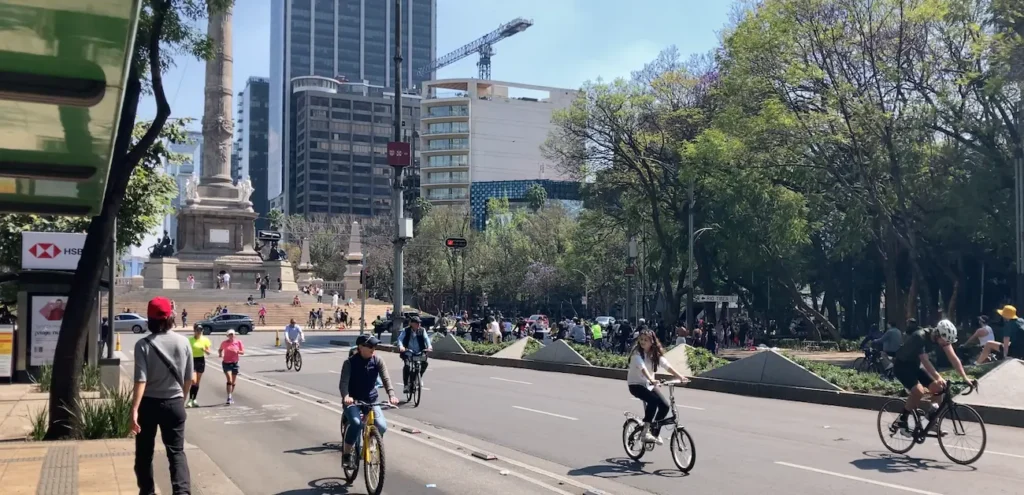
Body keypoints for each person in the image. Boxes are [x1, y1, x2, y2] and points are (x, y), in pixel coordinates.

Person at [131, 297, 193, 494]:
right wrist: (181, 399)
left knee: (144, 453)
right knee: (176, 453)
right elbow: (189, 378)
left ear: (149, 319)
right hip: (174, 403)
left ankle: (147, 491)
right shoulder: (184, 342)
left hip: (148, 404)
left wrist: (134, 409)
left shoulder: (143, 345)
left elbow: (141, 380)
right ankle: (182, 492)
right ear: (170, 317)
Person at [891, 319, 976, 436]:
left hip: (915, 366)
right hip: (902, 367)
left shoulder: (942, 338)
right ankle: (902, 420)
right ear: (937, 334)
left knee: (939, 388)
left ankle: (932, 421)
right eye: (945, 342)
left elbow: (954, 358)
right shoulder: (920, 337)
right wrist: (938, 377)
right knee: (918, 391)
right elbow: (925, 361)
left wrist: (965, 377)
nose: (945, 345)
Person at [339, 335, 399, 468]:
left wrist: (391, 395)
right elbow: (343, 383)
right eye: (370, 346)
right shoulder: (349, 363)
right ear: (360, 347)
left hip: (371, 400)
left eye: (375, 346)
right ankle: (347, 454)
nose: (373, 348)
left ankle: (372, 443)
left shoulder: (377, 360)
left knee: (381, 426)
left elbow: (386, 379)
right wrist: (346, 396)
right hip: (353, 401)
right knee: (356, 423)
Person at [626, 329, 688, 445]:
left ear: (652, 342)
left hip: (648, 385)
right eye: (641, 339)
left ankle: (654, 433)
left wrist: (680, 377)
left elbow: (666, 365)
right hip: (636, 385)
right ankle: (645, 432)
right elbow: (642, 367)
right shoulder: (636, 354)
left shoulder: (654, 354)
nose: (643, 342)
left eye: (646, 340)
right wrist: (651, 379)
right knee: (653, 401)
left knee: (665, 406)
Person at [397, 316, 432, 394]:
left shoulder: (422, 330)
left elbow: (426, 339)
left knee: (425, 363)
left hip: (419, 352)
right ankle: (406, 385)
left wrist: (429, 346)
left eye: (419, 323)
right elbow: (400, 339)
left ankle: (418, 377)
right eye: (416, 323)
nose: (418, 324)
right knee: (407, 366)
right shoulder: (406, 330)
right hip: (408, 352)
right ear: (411, 323)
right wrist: (401, 346)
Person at [186, 325, 212, 408]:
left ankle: (194, 399)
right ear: (194, 331)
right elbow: (186, 350)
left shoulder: (205, 340)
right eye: (197, 330)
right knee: (193, 380)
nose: (199, 332)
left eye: (200, 330)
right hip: (192, 360)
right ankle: (190, 400)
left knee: (197, 382)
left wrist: (204, 350)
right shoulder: (190, 340)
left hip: (200, 360)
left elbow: (209, 352)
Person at [218, 329, 245, 405]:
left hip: (235, 363)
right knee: (229, 379)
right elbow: (220, 349)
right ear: (227, 336)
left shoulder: (238, 342)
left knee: (233, 382)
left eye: (232, 334)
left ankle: (230, 395)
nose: (231, 336)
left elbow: (243, 352)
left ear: (234, 335)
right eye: (229, 335)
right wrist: (220, 354)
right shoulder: (224, 343)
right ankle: (229, 397)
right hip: (226, 363)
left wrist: (238, 351)